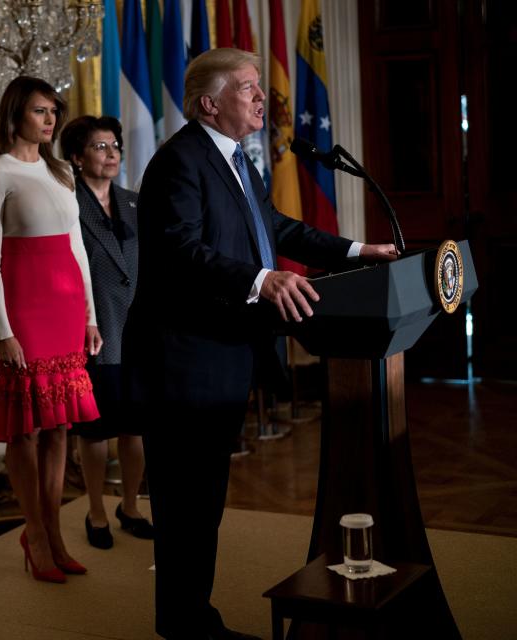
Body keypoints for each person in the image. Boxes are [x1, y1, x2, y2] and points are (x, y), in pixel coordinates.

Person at [122, 49, 398, 640]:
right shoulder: (180, 162)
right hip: (183, 363)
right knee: (186, 508)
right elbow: (180, 250)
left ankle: (190, 617)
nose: (260, 98)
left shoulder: (235, 159)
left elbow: (272, 228)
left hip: (220, 355)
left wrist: (354, 251)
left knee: (203, 505)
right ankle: (186, 622)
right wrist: (260, 279)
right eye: (247, 88)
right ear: (208, 103)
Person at [0, 76, 103, 583]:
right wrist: (2, 330)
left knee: (60, 426)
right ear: (15, 114)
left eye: (53, 111)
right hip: (25, 310)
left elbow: (78, 250)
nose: (50, 120)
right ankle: (35, 529)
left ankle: (52, 532)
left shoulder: (63, 172)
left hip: (69, 308)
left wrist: (91, 315)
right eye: (39, 111)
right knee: (26, 428)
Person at [60, 115, 153, 549]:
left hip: (139, 333)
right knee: (95, 431)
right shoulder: (65, 206)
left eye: (114, 145)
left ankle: (130, 505)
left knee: (136, 428)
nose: (112, 152)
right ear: (77, 158)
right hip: (94, 332)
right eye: (100, 146)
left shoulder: (136, 203)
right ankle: (95, 509)